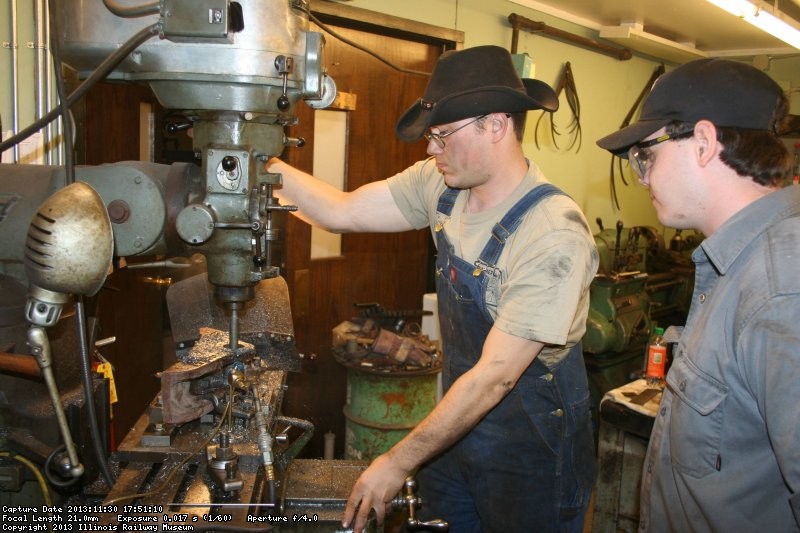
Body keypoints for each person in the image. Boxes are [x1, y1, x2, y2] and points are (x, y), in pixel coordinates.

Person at [268, 45, 598, 532]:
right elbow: (342, 210)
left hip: (532, 452)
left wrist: (398, 460)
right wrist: (250, 162)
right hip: (458, 428)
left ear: (496, 125)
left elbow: (496, 377)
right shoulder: (443, 186)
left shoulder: (553, 235)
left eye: (443, 135)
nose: (430, 149)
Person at [597, 58, 800, 531]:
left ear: (705, 143)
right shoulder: (735, 266)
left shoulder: (780, 292)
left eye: (646, 155)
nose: (642, 176)